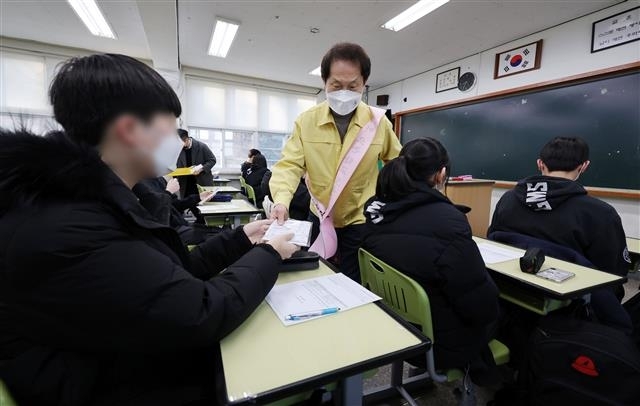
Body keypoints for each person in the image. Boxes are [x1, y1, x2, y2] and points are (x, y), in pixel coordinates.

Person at [0, 54, 298, 406]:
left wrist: (242, 238)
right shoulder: (69, 225)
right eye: (171, 126)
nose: (177, 139)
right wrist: (269, 252)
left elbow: (169, 275)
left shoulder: (89, 199)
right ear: (130, 129)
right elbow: (202, 312)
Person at [362, 137, 500, 384]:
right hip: (439, 342)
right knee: (506, 311)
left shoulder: (377, 209)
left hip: (396, 325)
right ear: (441, 174)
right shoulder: (448, 221)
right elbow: (481, 307)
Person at [269, 42, 401, 281]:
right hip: (320, 216)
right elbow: (289, 166)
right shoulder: (306, 121)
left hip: (359, 219)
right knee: (314, 276)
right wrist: (281, 201)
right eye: (336, 85)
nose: (344, 92)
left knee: (353, 281)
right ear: (324, 83)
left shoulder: (378, 123)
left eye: (353, 86)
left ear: (364, 83)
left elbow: (397, 164)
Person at [489, 137, 630, 277]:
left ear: (540, 164)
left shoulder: (508, 199)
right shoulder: (601, 213)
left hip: (502, 282)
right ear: (584, 166)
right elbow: (613, 273)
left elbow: (491, 240)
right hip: (570, 295)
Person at [132, 177, 220, 244]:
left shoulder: (158, 179)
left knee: (219, 232)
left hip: (181, 225)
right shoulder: (137, 184)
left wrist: (198, 197)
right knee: (218, 237)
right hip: (169, 232)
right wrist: (168, 192)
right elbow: (155, 214)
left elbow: (176, 205)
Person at [176, 128, 217, 198]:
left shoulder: (201, 146)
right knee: (187, 204)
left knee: (202, 206)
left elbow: (212, 160)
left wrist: (201, 169)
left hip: (201, 181)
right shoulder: (178, 149)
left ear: (186, 140)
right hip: (185, 184)